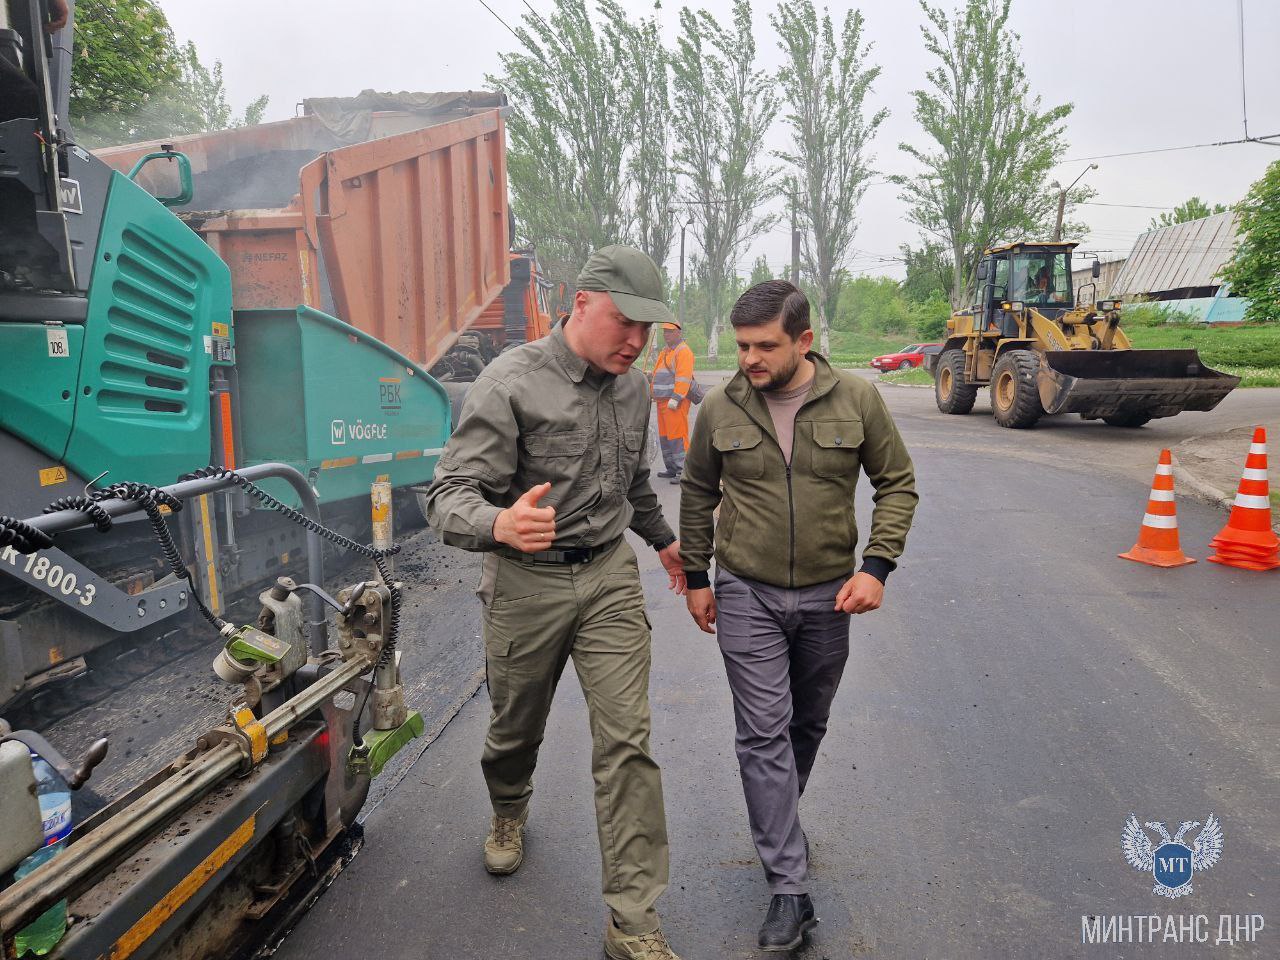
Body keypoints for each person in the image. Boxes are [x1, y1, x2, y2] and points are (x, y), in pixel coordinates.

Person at [424, 245, 687, 960]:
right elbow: (446, 498)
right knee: (515, 726)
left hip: (607, 575)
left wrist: (664, 542)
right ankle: (509, 809)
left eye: (648, 330)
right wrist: (500, 523)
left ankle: (632, 919)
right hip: (525, 582)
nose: (636, 342)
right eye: (624, 324)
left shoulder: (631, 387)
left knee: (627, 742)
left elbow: (632, 485)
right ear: (579, 303)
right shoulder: (510, 382)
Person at [679, 280, 918, 952]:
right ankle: (789, 885)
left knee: (807, 720)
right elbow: (697, 491)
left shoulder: (857, 399)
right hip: (745, 592)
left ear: (804, 341)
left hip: (827, 594)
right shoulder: (721, 406)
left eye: (765, 346)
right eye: (742, 345)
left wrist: (876, 567)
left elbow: (896, 482)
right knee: (763, 732)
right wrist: (697, 577)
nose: (749, 359)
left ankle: (778, 818)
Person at [650, 322, 696, 483]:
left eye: (669, 332)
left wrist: (676, 398)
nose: (666, 335)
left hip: (675, 402)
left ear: (678, 333)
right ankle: (672, 468)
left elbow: (683, 378)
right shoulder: (666, 351)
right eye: (665, 332)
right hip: (662, 401)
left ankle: (683, 471)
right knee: (666, 437)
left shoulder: (683, 352)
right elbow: (658, 374)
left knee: (677, 436)